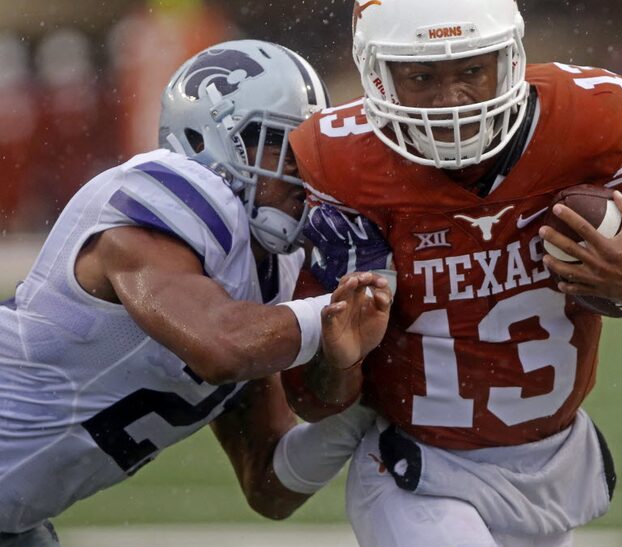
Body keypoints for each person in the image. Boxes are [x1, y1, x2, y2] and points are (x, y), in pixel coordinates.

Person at [284, 0, 622, 546]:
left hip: (552, 465)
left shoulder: (589, 123)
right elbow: (310, 399)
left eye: (471, 69)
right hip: (421, 473)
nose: (451, 99)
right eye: (421, 77)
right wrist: (340, 360)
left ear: (511, 57)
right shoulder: (341, 164)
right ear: (377, 75)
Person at [0, 39, 392, 545]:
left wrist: (352, 403)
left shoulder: (272, 273)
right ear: (210, 140)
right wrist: (341, 311)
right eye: (283, 145)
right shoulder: (159, 204)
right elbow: (221, 345)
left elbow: (269, 483)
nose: (306, 170)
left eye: (315, 152)